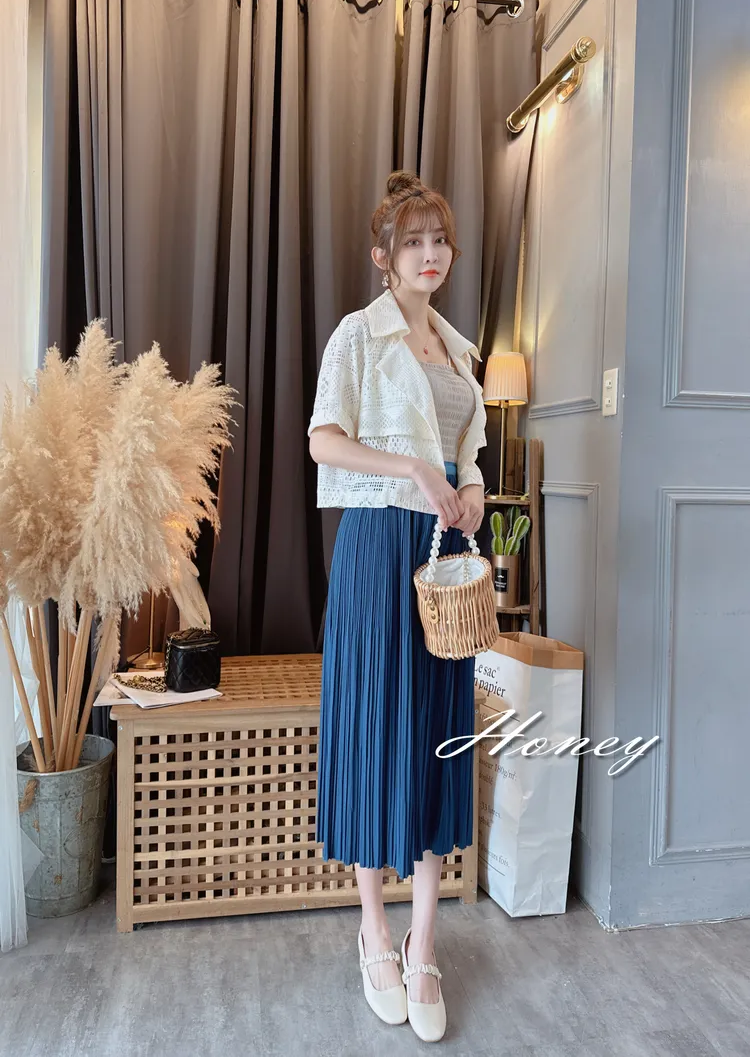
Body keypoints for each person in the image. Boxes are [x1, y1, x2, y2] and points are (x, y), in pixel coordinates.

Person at [307, 170, 487, 1043]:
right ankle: (373, 930)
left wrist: (473, 484)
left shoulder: (458, 350)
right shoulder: (358, 334)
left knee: (435, 729)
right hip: (380, 545)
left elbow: (468, 446)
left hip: (443, 551)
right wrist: (412, 467)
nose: (429, 254)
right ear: (384, 257)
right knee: (378, 727)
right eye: (412, 242)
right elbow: (323, 440)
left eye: (439, 239)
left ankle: (424, 942)